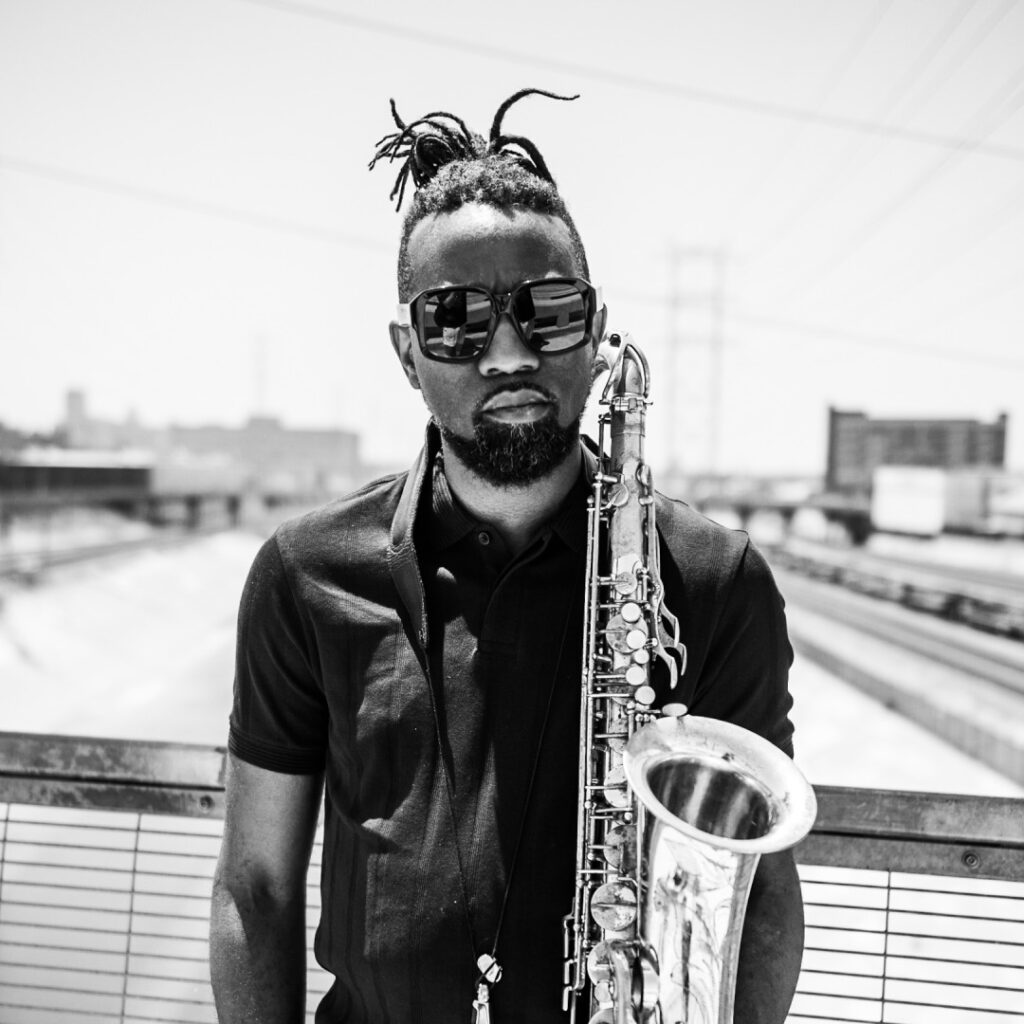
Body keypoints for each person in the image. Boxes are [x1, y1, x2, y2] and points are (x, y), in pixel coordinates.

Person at [210, 88, 805, 1024]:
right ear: (409, 354)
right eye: (456, 320)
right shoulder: (304, 574)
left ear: (598, 327)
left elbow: (759, 904)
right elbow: (257, 888)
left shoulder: (716, 581)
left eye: (548, 311)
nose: (507, 353)